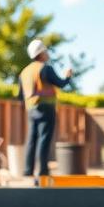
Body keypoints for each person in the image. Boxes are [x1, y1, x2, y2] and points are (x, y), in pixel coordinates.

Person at [19, 39, 72, 181]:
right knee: (44, 138)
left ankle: (28, 170)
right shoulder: (45, 68)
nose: (47, 54)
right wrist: (68, 77)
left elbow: (20, 95)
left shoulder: (24, 72)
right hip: (46, 108)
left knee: (32, 138)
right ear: (41, 53)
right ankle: (42, 170)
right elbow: (60, 83)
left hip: (31, 109)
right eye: (45, 51)